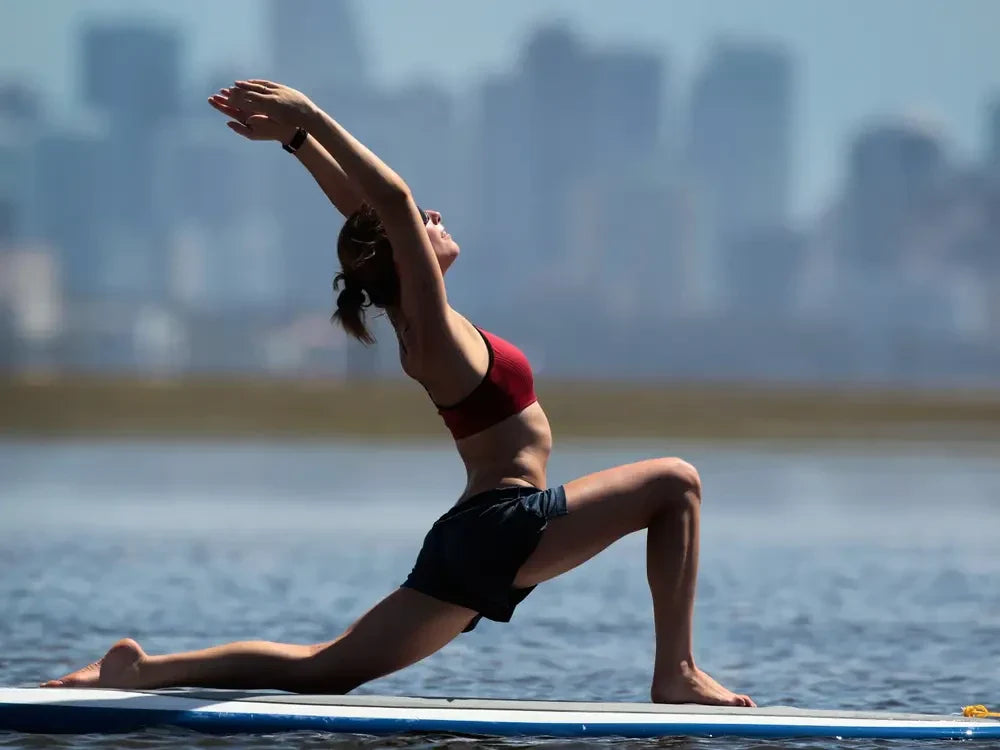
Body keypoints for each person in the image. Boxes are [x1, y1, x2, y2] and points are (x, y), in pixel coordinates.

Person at [43, 80, 754, 707]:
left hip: (472, 534)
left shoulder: (416, 320)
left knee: (326, 671)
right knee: (677, 483)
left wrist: (298, 142)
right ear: (405, 254)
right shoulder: (434, 329)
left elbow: (371, 215)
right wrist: (312, 114)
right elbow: (390, 200)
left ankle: (139, 670)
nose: (434, 221)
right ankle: (677, 672)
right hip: (507, 524)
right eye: (423, 229)